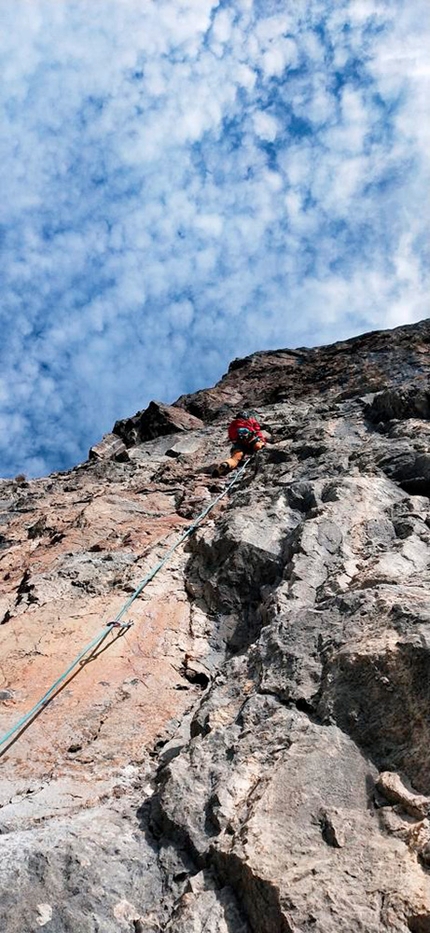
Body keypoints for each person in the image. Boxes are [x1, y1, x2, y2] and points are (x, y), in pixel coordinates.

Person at [214, 410, 266, 476]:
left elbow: (231, 437)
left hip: (239, 444)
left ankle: (226, 464)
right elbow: (257, 431)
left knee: (235, 458)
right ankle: (260, 447)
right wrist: (263, 441)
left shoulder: (233, 424)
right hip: (251, 441)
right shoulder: (251, 421)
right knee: (258, 446)